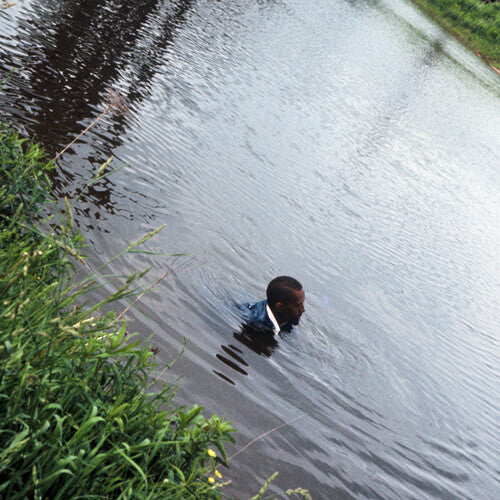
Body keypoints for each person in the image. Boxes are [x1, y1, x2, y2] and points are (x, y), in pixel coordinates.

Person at [240, 276, 305, 335]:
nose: (303, 310)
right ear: (279, 307)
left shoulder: (287, 318)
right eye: (298, 306)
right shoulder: (258, 327)